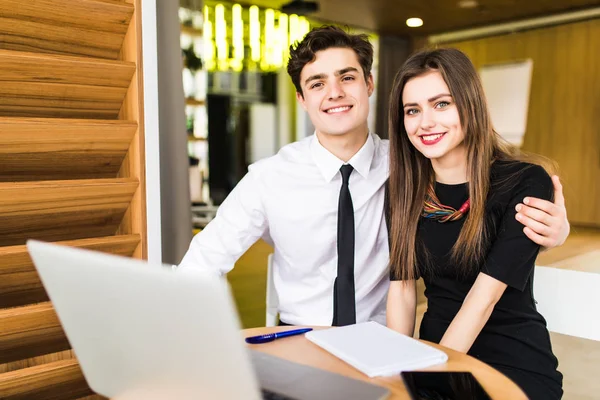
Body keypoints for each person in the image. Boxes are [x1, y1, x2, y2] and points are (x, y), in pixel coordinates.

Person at [179, 26, 570, 328]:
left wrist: (554, 231)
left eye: (347, 77)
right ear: (302, 98)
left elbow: (480, 203)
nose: (334, 92)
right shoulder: (269, 178)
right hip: (299, 336)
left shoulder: (413, 164)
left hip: (382, 339)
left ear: (368, 83)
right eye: (317, 84)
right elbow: (203, 261)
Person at [385, 48, 563, 399]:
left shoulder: (525, 181)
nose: (426, 123)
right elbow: (402, 290)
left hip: (512, 364)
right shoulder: (404, 190)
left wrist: (432, 377)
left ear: (470, 104)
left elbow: (483, 299)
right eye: (412, 110)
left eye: (441, 104)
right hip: (436, 354)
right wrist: (397, 372)